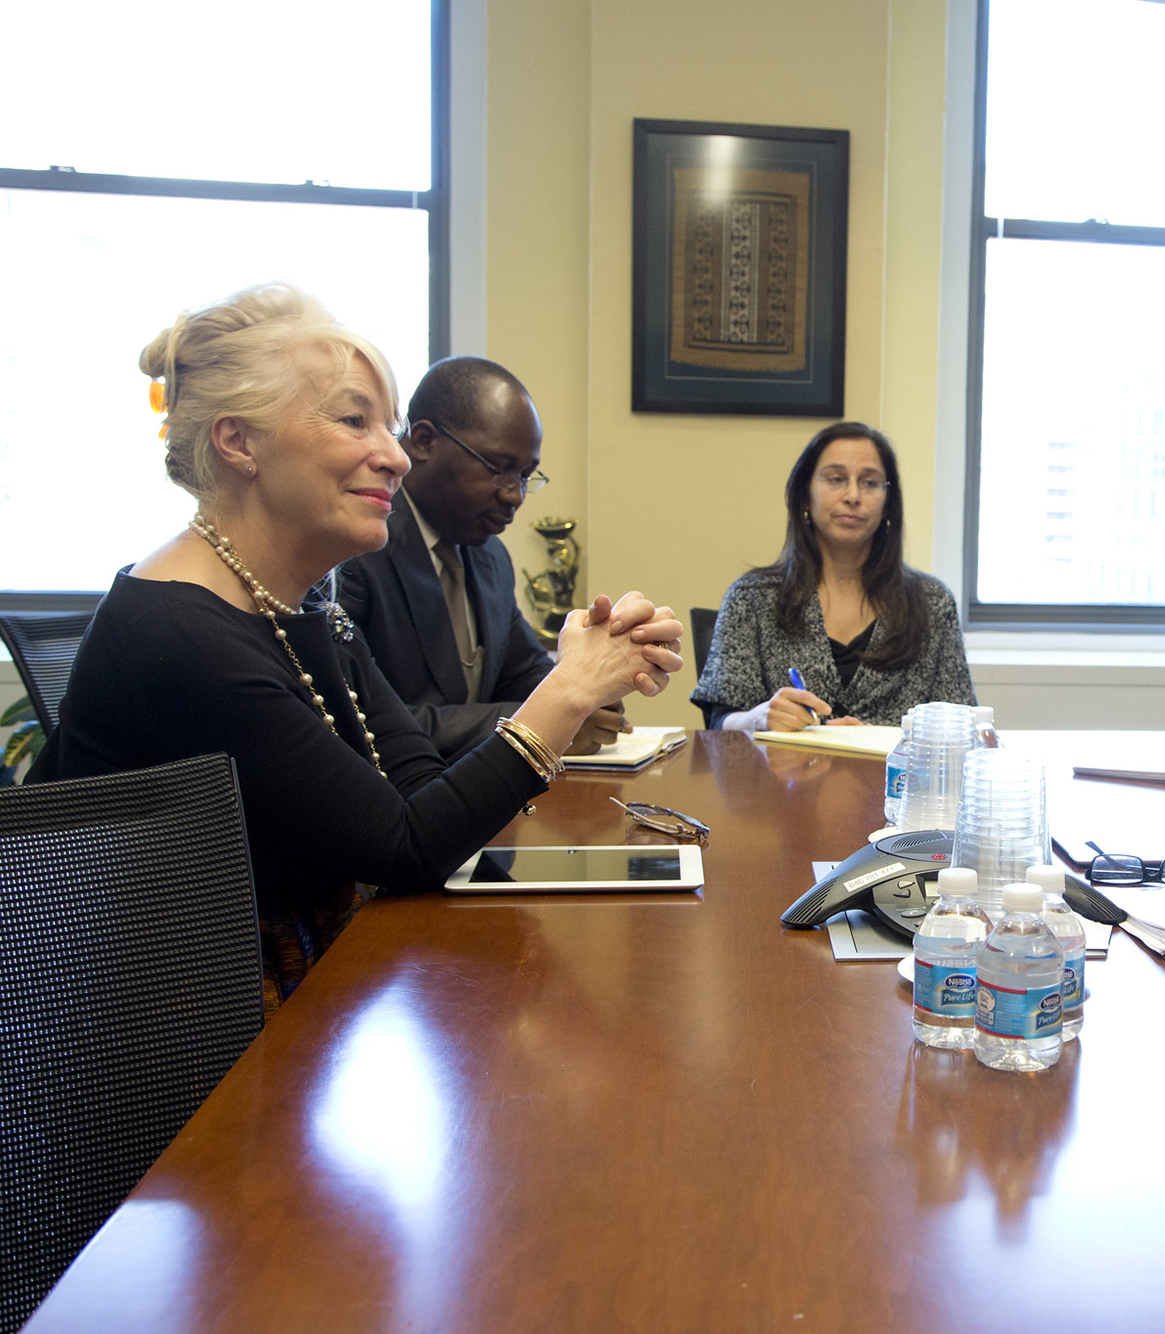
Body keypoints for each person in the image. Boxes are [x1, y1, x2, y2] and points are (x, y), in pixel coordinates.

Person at [32, 285, 683, 1009]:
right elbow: (405, 849)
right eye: (354, 421)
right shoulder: (178, 633)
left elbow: (414, 793)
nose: (396, 457)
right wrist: (566, 694)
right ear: (238, 441)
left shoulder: (306, 607)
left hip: (302, 994)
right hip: (172, 1048)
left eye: (391, 426)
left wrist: (572, 672)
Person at [338, 356, 624, 762]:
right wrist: (537, 726)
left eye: (525, 476)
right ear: (422, 441)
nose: (515, 496)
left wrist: (588, 690)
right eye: (500, 469)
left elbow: (521, 672)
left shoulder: (489, 555)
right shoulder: (354, 553)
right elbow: (362, 721)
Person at [691, 422, 975, 731]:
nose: (853, 495)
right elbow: (718, 722)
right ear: (804, 495)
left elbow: (963, 726)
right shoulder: (752, 597)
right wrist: (757, 719)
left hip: (891, 777)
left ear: (888, 503)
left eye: (869, 482)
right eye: (836, 479)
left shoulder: (932, 603)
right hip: (781, 777)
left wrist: (878, 739)